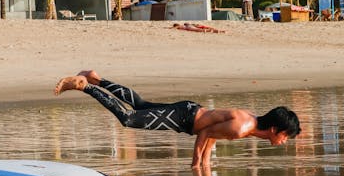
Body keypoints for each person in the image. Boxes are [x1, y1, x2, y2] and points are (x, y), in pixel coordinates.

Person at [54, 70, 301, 168]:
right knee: (129, 118)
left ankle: (97, 78)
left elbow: (213, 134)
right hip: (184, 118)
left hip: (189, 112)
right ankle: (85, 85)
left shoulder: (249, 122)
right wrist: (197, 164)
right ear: (275, 129)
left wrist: (206, 168)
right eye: (286, 136)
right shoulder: (243, 127)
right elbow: (205, 135)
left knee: (140, 105)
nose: (285, 141)